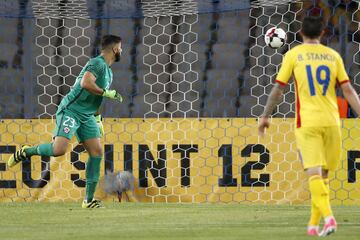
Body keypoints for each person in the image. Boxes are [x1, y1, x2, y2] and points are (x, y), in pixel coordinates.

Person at [258, 16, 360, 236]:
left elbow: (278, 89)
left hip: (308, 122)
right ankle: (313, 226)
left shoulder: (294, 55)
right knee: (323, 176)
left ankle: (329, 218)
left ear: (301, 33)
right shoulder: (333, 56)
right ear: (323, 33)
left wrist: (265, 115)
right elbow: (349, 91)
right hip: (332, 122)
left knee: (314, 173)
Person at [8, 35, 124, 209]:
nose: (121, 50)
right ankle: (26, 151)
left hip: (87, 116)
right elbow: (86, 84)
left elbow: (95, 97)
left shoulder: (109, 71)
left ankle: (88, 200)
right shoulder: (97, 63)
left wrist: (98, 118)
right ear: (115, 49)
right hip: (71, 110)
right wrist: (106, 93)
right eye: (121, 48)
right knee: (58, 150)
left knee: (97, 152)